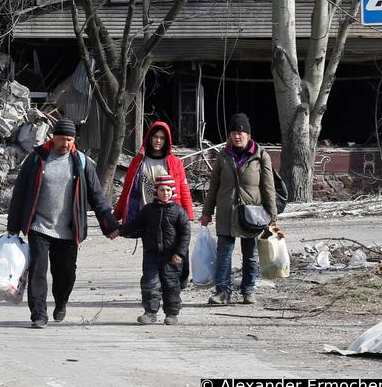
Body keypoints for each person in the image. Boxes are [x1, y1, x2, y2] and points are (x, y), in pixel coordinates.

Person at [7, 117, 119, 329]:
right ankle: (39, 314)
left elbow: (97, 197)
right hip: (39, 226)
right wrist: (13, 227)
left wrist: (110, 225)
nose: (65, 144)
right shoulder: (36, 159)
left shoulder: (81, 162)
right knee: (38, 270)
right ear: (53, 137)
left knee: (65, 273)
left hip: (69, 229)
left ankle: (61, 301)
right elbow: (19, 193)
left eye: (69, 139)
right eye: (61, 139)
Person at [199, 113, 277, 305]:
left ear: (248, 135)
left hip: (251, 213)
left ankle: (248, 291)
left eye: (241, 133)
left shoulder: (261, 155)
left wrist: (272, 215)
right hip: (226, 212)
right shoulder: (223, 156)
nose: (237, 136)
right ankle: (222, 292)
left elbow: (268, 187)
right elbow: (214, 186)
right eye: (233, 132)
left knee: (251, 255)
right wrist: (207, 212)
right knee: (224, 254)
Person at [118, 174, 190, 325]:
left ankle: (171, 313)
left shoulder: (179, 211)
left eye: (168, 190)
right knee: (150, 284)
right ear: (156, 192)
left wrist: (180, 253)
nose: (165, 193)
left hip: (172, 257)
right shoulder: (148, 210)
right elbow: (134, 226)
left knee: (171, 285)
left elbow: (185, 235)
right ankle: (150, 313)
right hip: (151, 255)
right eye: (162, 190)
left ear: (173, 192)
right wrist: (118, 230)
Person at [114, 121, 195, 227]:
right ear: (150, 138)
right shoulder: (138, 161)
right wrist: (116, 216)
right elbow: (126, 191)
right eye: (155, 137)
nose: (158, 140)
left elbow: (184, 190)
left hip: (168, 218)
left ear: (166, 141)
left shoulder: (175, 162)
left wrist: (188, 216)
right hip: (143, 217)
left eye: (162, 138)